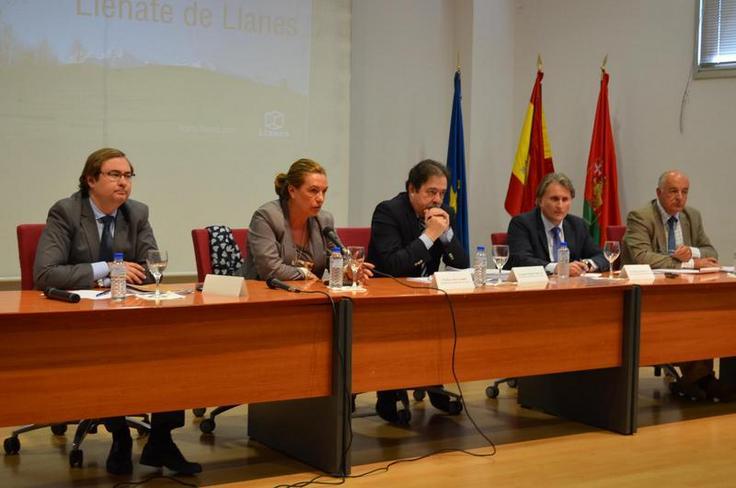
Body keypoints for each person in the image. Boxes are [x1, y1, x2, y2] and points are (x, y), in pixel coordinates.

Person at [34, 148, 201, 476]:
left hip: (125, 310)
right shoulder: (67, 212)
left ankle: (161, 440)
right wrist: (105, 268)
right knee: (112, 351)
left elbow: (152, 266)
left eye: (128, 176)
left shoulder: (136, 213)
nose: (123, 183)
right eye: (114, 175)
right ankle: (121, 437)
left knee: (173, 346)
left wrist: (125, 273)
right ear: (90, 180)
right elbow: (46, 273)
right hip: (79, 319)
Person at [367, 159, 469, 423]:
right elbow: (393, 265)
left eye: (442, 194)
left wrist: (446, 235)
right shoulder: (388, 212)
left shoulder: (444, 214)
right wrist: (430, 236)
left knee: (446, 321)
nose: (437, 200)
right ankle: (388, 398)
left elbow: (461, 263)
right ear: (412, 189)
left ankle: (435, 387)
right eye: (430, 192)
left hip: (425, 295)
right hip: (386, 296)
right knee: (400, 331)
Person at [622, 170, 726, 401]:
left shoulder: (692, 216)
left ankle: (699, 378)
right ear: (659, 193)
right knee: (685, 315)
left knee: (704, 313)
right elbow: (642, 257)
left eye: (684, 192)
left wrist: (693, 252)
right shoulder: (641, 216)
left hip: (683, 291)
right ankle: (699, 379)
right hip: (645, 293)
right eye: (673, 191)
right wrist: (690, 263)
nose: (679, 197)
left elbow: (711, 252)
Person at [243, 158, 373, 283]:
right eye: (313, 191)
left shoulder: (324, 220)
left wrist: (347, 270)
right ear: (292, 191)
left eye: (324, 191)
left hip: (306, 297)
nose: (321, 198)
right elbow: (269, 269)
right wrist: (304, 273)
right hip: (260, 298)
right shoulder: (266, 217)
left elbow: (337, 259)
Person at [507, 172, 608, 275]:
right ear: (539, 201)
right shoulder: (522, 224)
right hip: (536, 287)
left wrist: (586, 264)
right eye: (554, 199)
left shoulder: (578, 225)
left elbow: (603, 257)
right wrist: (557, 268)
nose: (560, 205)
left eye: (565, 199)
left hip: (571, 287)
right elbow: (520, 260)